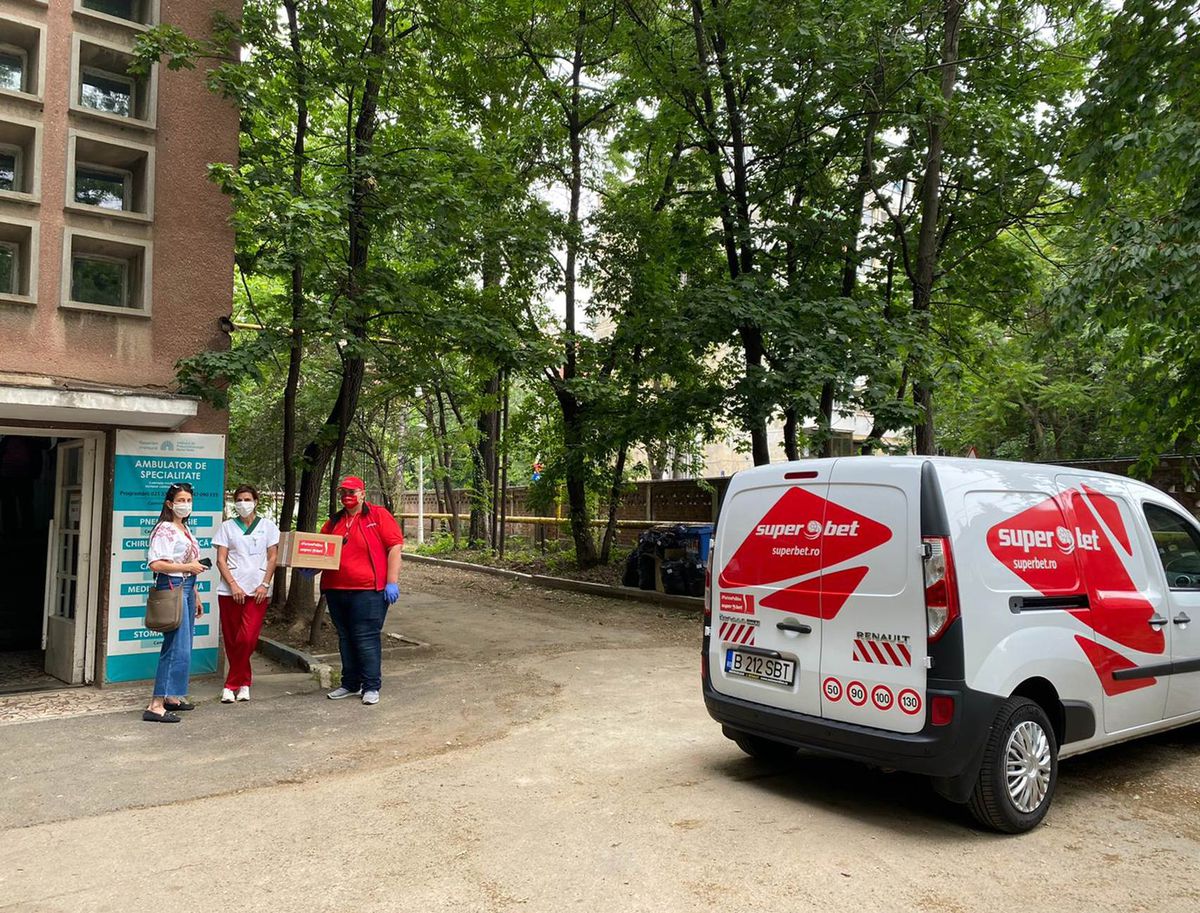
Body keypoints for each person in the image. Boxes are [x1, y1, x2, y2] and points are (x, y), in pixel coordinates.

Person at [317, 476, 403, 705]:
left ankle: (371, 686)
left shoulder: (378, 515)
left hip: (368, 591)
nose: (347, 496)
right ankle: (350, 684)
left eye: (351, 492)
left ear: (362, 494)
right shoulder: (334, 522)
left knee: (365, 638)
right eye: (343, 492)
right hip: (336, 589)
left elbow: (395, 547)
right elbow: (320, 551)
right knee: (345, 638)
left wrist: (391, 581)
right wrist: (309, 567)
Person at [144, 482, 206, 723]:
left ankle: (171, 696)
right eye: (181, 500)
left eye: (189, 500)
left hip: (187, 587)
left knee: (183, 646)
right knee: (174, 646)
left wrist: (196, 594)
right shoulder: (165, 529)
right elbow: (156, 564)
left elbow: (190, 564)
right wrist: (188, 567)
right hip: (172, 585)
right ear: (170, 504)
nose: (185, 505)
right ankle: (155, 705)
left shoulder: (184, 528)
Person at [213, 484, 280, 704]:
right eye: (239, 500)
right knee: (232, 639)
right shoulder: (227, 527)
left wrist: (265, 584)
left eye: (247, 499)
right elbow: (220, 560)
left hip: (257, 591)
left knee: (247, 638)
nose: (243, 503)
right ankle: (243, 684)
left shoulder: (268, 526)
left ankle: (230, 684)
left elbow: (272, 557)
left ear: (256, 501)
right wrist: (233, 585)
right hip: (230, 591)